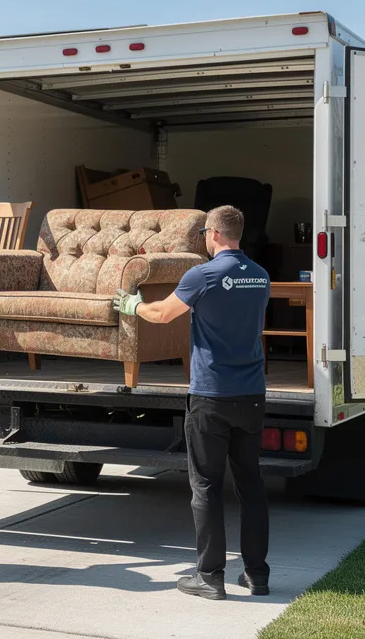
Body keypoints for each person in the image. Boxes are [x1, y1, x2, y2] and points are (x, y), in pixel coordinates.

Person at [112, 205, 271, 600]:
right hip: (252, 394)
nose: (203, 237)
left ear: (214, 233)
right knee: (251, 485)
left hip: (212, 395)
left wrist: (133, 306)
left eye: (204, 232)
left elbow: (164, 314)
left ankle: (210, 576)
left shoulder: (203, 274)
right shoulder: (261, 276)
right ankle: (257, 575)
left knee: (206, 485)